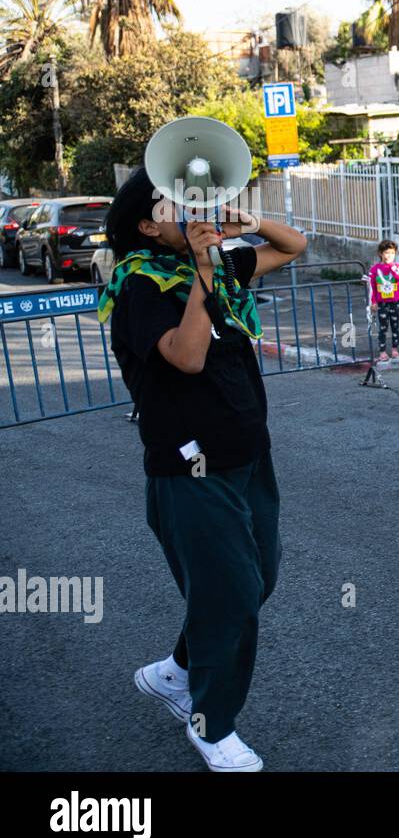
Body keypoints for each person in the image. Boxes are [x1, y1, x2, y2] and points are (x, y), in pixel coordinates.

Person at [100, 166, 307, 771]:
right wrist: (205, 271)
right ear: (146, 225)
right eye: (170, 204)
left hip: (247, 452)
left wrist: (247, 222)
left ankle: (178, 670)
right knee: (233, 592)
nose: (188, 208)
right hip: (191, 466)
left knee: (256, 580)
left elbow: (293, 247)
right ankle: (211, 725)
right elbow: (187, 358)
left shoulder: (211, 262)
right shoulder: (140, 287)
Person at [368, 239, 399, 361]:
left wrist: (393, 268)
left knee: (395, 326)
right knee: (383, 327)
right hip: (382, 302)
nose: (389, 256)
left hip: (395, 302)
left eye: (392, 253)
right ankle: (382, 352)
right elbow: (372, 286)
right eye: (387, 253)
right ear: (380, 253)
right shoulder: (375, 269)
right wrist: (373, 302)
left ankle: (395, 349)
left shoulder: (398, 267)